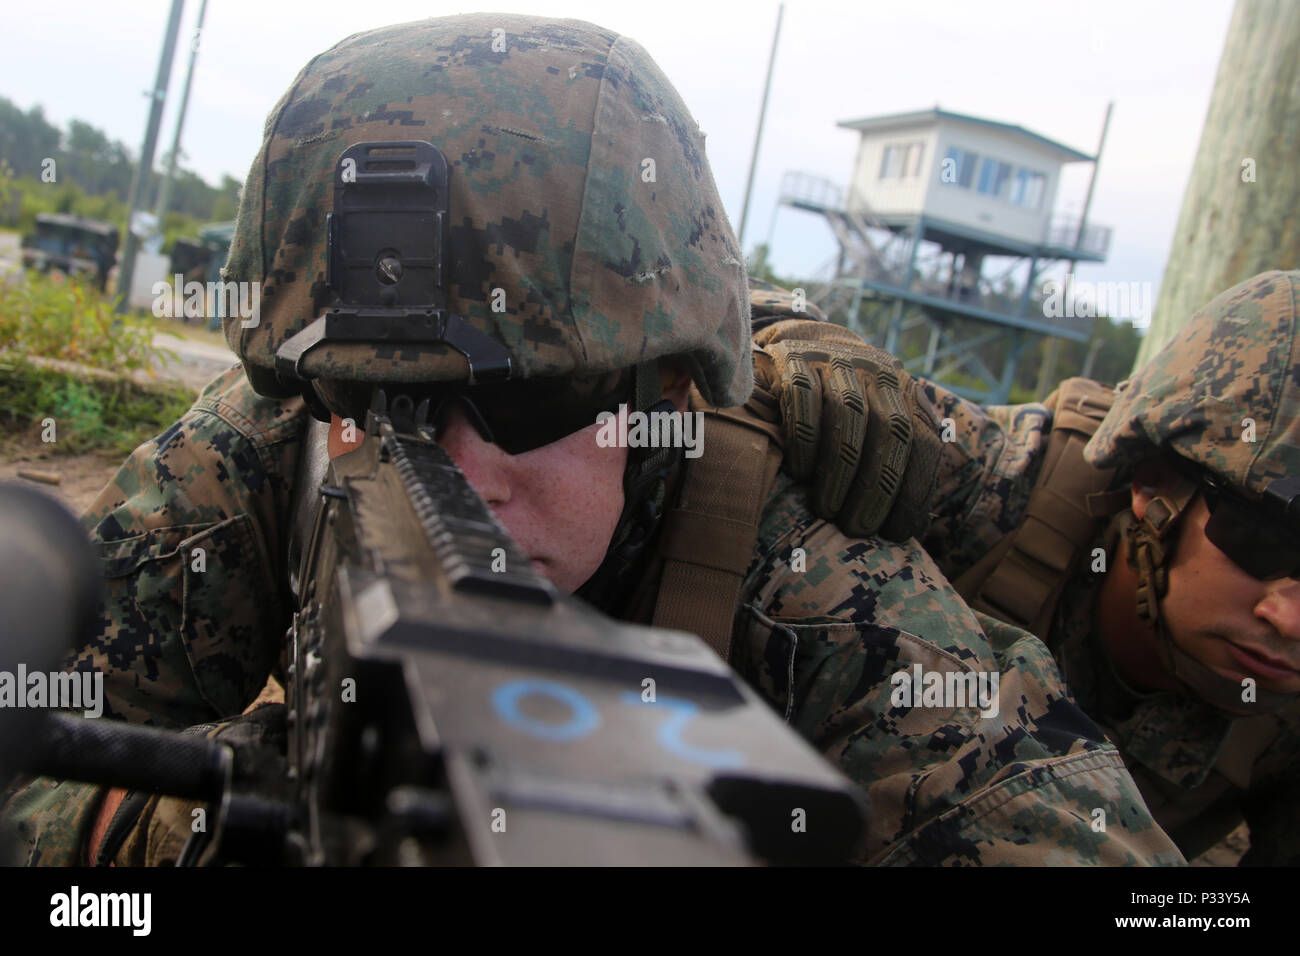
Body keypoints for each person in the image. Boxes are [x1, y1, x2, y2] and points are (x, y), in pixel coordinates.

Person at [0, 14, 1181, 867]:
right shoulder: (247, 459)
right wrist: (161, 835)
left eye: (531, 403)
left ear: (667, 383)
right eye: (380, 404)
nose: (460, 472)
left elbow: (1060, 827)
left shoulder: (781, 553)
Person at [784, 270, 1300, 865]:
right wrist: (797, 337)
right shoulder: (985, 485)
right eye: (1262, 538)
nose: (1287, 619)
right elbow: (702, 330)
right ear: (1156, 482)